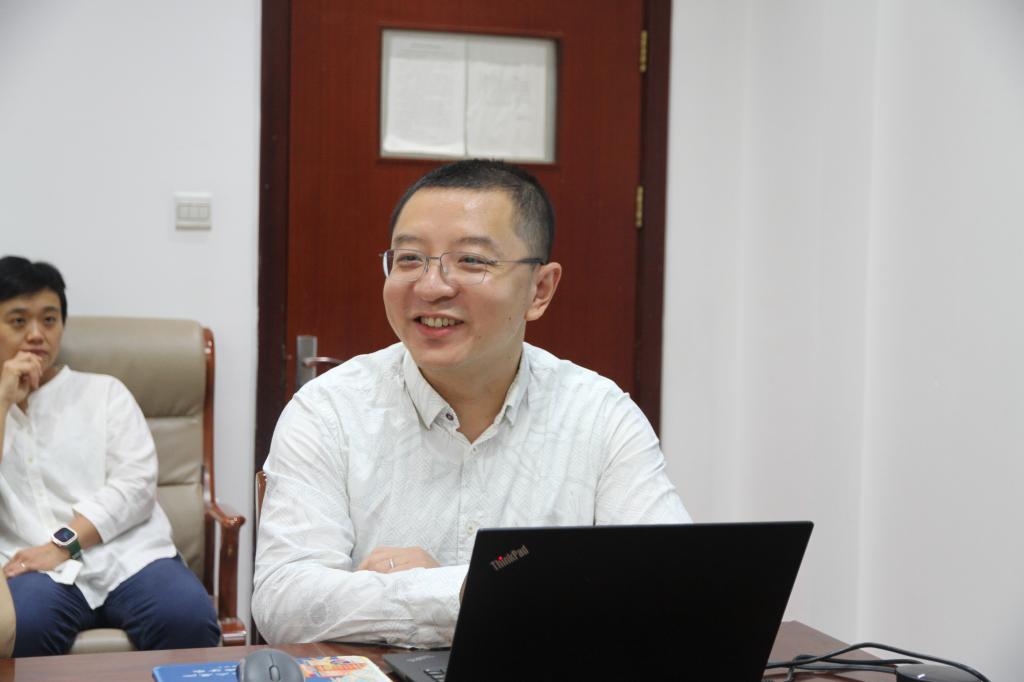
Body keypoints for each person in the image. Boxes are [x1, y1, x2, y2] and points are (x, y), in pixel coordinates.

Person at [252, 160, 690, 647]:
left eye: (472, 261)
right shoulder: (329, 411)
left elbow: (668, 588)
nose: (431, 286)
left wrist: (456, 590)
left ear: (540, 289)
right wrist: (468, 594)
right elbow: (285, 603)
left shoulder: (599, 416)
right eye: (409, 259)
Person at [0, 256, 220, 656]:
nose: (36, 334)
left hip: (129, 557)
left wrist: (62, 546)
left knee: (187, 618)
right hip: (32, 570)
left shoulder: (104, 393)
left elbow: (136, 486)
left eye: (49, 320)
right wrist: (3, 401)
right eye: (18, 321)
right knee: (23, 631)